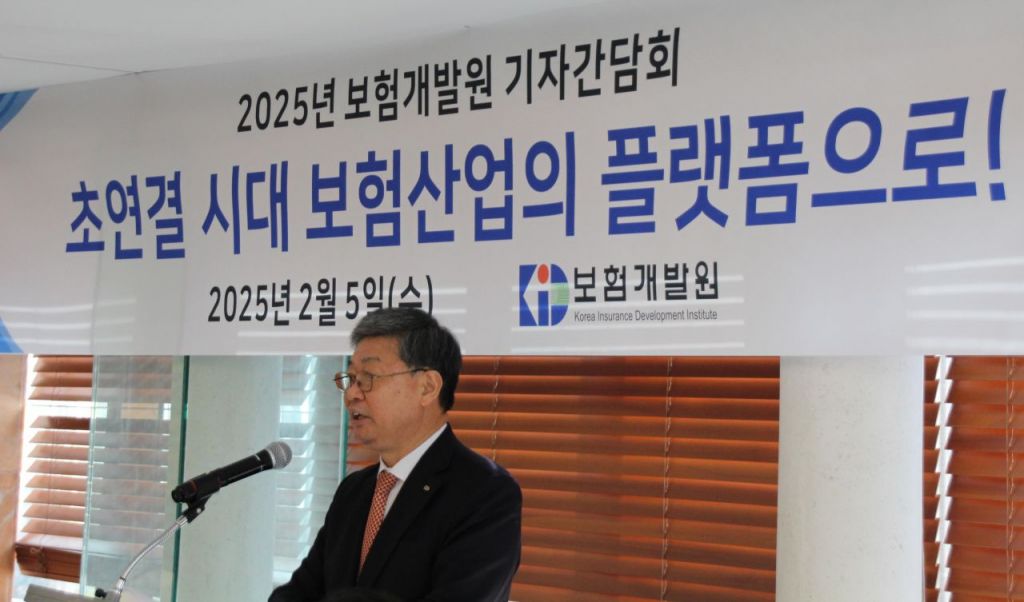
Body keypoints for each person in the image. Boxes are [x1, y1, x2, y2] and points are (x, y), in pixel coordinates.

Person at [269, 308, 522, 602]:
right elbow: (300, 592)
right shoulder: (354, 491)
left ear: (427, 387)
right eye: (351, 378)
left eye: (369, 377)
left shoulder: (485, 493)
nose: (351, 394)